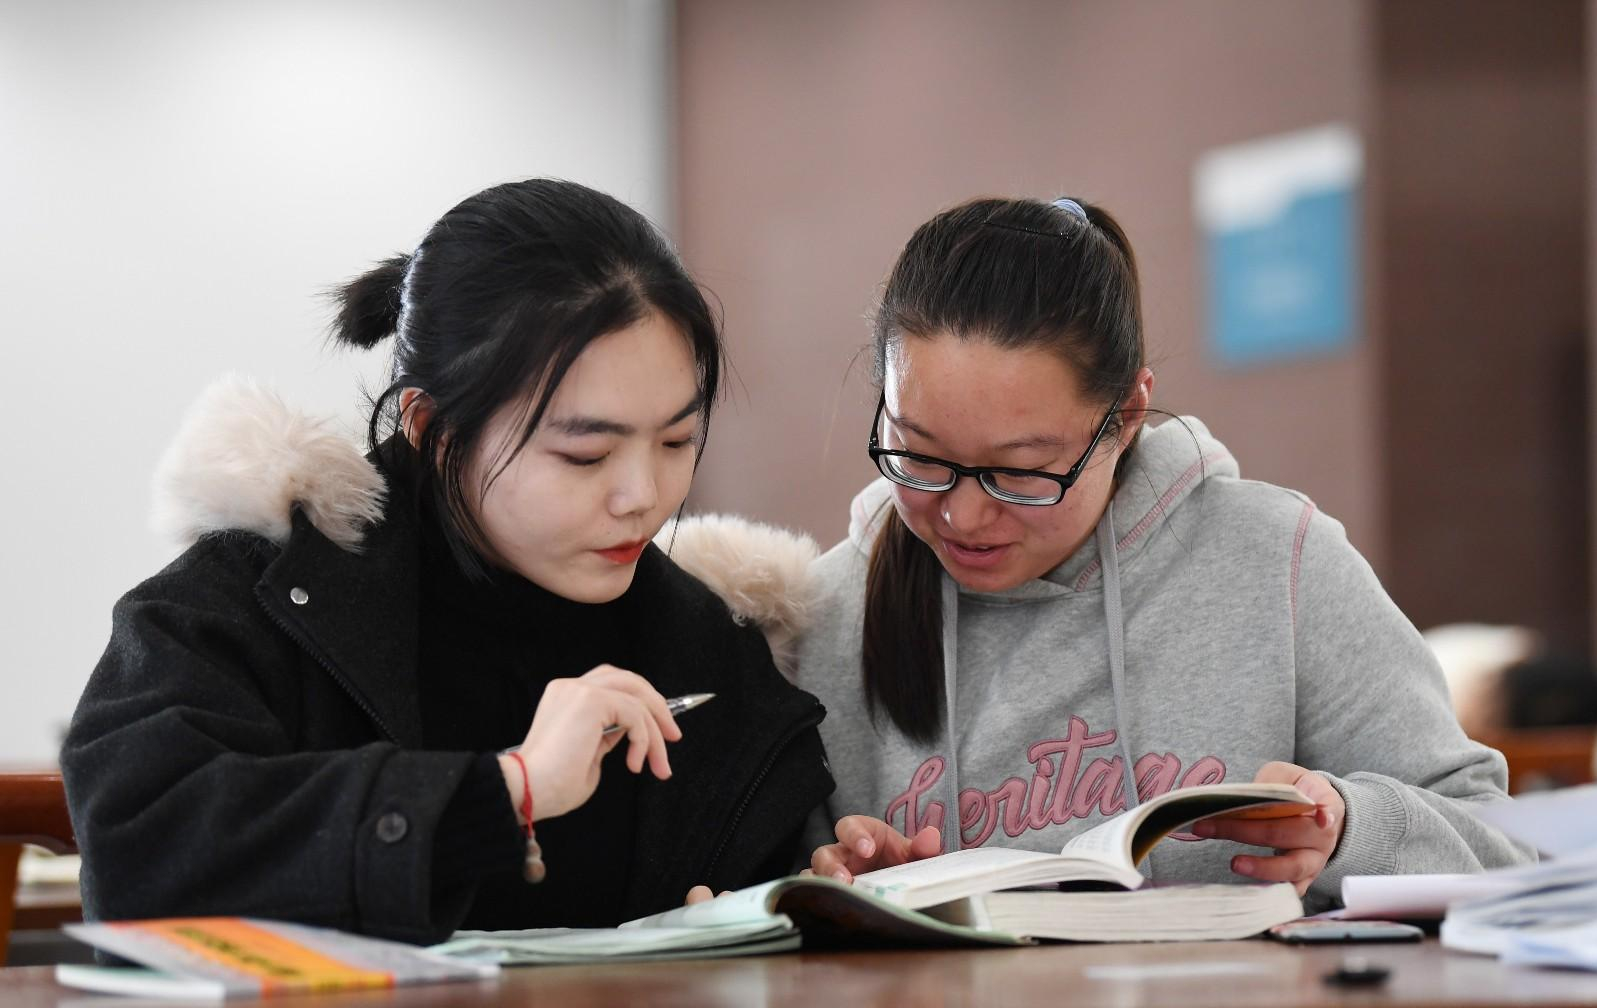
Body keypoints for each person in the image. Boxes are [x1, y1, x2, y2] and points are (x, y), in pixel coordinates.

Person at [61, 178, 833, 943]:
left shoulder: (707, 642)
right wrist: (509, 791)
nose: (642, 494)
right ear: (430, 428)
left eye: (676, 441)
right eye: (585, 454)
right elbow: (142, 856)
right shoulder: (253, 601)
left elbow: (766, 877)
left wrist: (823, 888)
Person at [795, 195, 1533, 912]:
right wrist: (842, 888)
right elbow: (751, 909)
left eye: (1020, 470)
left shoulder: (1277, 561)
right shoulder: (822, 617)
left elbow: (1501, 850)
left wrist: (1347, 826)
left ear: (1127, 415)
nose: (963, 513)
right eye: (918, 457)